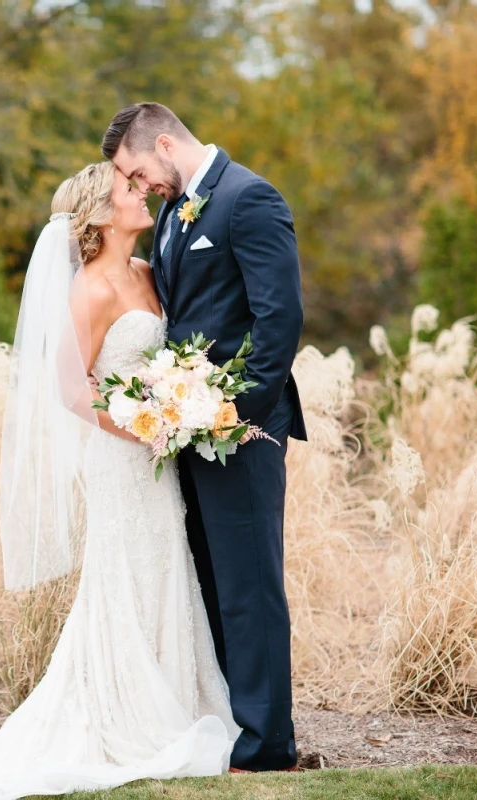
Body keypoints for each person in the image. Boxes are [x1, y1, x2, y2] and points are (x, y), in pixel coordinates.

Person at [0, 160, 240, 800]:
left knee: (165, 568)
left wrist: (180, 403)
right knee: (127, 571)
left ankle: (180, 700)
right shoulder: (88, 290)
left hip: (159, 456)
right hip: (122, 458)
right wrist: (145, 426)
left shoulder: (145, 273)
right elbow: (72, 391)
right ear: (101, 216)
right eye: (128, 191)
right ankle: (123, 714)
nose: (141, 195)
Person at [103, 101, 306, 773]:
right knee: (214, 584)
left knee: (250, 587)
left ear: (164, 143)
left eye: (138, 170)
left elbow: (278, 321)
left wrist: (232, 412)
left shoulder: (250, 199)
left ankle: (267, 745)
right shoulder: (172, 215)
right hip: (186, 430)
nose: (140, 186)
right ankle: (230, 730)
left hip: (239, 431)